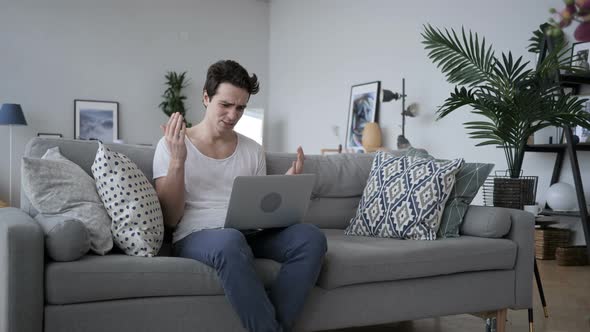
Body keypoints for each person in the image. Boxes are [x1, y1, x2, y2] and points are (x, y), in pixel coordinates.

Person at [153, 60, 327, 332]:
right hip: (198, 235)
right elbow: (170, 218)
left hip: (249, 232)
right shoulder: (173, 145)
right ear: (206, 97)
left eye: (240, 107)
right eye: (225, 105)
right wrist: (178, 161)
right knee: (230, 240)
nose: (233, 115)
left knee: (310, 237)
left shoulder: (252, 150)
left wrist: (285, 188)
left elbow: (258, 210)